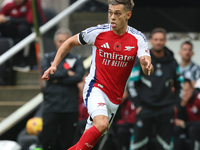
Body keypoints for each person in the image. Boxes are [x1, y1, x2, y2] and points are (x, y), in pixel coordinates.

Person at [42, 0, 154, 150]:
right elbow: (69, 42)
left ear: (128, 15)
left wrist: (147, 66)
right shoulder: (98, 32)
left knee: (88, 143)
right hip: (96, 87)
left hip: (115, 97)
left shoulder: (138, 38)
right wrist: (54, 64)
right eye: (110, 13)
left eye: (117, 13)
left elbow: (145, 63)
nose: (112, 17)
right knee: (101, 124)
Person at [128, 27, 183, 150]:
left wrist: (175, 105)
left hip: (166, 109)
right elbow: (131, 84)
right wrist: (138, 105)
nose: (158, 42)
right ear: (151, 41)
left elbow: (180, 83)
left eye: (161, 39)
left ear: (165, 41)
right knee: (137, 144)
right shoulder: (142, 60)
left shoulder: (172, 61)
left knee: (166, 145)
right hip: (145, 109)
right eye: (156, 39)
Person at [39, 28, 85, 150]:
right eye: (60, 41)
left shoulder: (77, 58)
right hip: (51, 106)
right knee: (48, 141)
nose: (62, 44)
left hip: (70, 108)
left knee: (68, 143)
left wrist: (57, 77)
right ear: (55, 42)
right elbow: (47, 75)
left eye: (66, 41)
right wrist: (68, 73)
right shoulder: (48, 58)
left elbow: (79, 77)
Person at [0, 0, 46, 71]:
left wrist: (9, 19)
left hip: (29, 32)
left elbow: (29, 20)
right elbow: (1, 17)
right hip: (13, 31)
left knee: (23, 29)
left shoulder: (32, 3)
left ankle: (22, 61)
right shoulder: (8, 4)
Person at [174, 78, 200, 150]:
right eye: (183, 91)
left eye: (187, 90)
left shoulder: (198, 98)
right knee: (176, 129)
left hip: (195, 128)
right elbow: (177, 120)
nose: (185, 93)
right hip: (187, 127)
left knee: (193, 129)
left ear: (192, 89)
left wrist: (185, 124)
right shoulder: (180, 101)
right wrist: (183, 104)